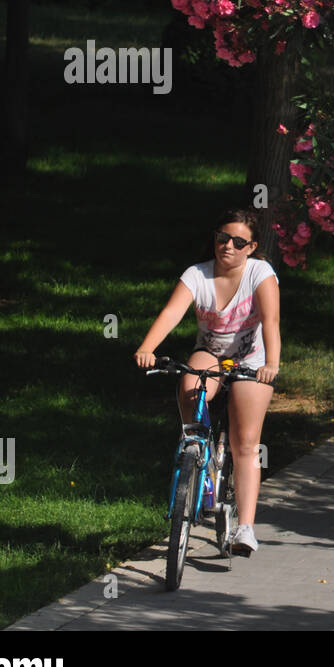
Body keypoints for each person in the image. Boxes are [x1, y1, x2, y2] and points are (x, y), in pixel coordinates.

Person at [134, 208, 281, 556]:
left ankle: (245, 527)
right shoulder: (197, 274)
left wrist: (271, 364)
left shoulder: (260, 273)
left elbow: (271, 321)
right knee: (189, 385)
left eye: (238, 241)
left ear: (251, 247)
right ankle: (195, 457)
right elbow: (171, 313)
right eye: (222, 238)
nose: (228, 246)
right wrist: (147, 347)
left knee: (246, 442)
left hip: (252, 361)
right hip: (211, 352)